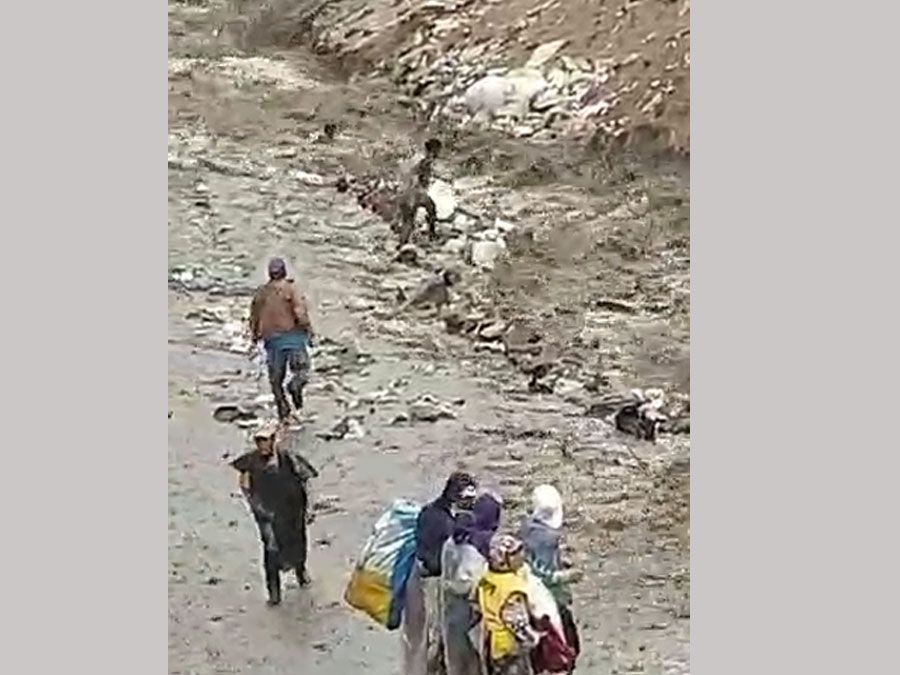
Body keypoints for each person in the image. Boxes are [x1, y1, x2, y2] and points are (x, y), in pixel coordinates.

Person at [230, 424, 319, 606]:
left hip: (293, 511)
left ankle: (300, 572)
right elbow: (245, 486)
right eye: (259, 441)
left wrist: (310, 507)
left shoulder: (288, 459)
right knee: (271, 548)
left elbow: (306, 481)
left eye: (266, 440)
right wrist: (255, 505)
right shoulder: (250, 462)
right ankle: (274, 592)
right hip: (267, 513)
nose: (263, 445)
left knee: (297, 543)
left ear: (273, 441)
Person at [404, 472, 479, 675]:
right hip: (432, 581)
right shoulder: (443, 523)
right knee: (434, 634)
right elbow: (436, 559)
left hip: (423, 575)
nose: (471, 504)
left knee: (422, 635)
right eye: (467, 500)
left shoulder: (431, 511)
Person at [440, 492, 503, 675]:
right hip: (471, 614)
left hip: (451, 609)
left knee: (456, 661)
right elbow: (473, 584)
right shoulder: (477, 550)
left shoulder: (454, 541)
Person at [519, 485, 581, 668]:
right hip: (549, 602)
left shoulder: (527, 529)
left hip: (530, 600)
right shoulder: (547, 538)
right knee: (563, 648)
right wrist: (566, 576)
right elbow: (543, 574)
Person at [248, 258, 315, 424]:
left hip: (272, 342)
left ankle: (283, 412)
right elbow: (300, 313)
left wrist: (255, 336)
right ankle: (295, 388)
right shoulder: (291, 290)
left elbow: (254, 318)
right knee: (302, 370)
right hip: (293, 338)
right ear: (285, 272)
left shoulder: (261, 294)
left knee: (276, 381)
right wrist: (308, 330)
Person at [476, 535, 540, 675]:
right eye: (515, 553)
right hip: (509, 646)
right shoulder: (511, 588)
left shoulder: (488, 577)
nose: (521, 555)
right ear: (504, 561)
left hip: (492, 641)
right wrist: (534, 637)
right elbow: (516, 622)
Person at [396, 138, 442, 248]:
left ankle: (404, 242)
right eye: (438, 150)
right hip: (414, 193)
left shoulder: (420, 160)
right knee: (412, 219)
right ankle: (405, 243)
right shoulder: (425, 161)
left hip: (409, 192)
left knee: (426, 212)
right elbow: (416, 177)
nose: (439, 153)